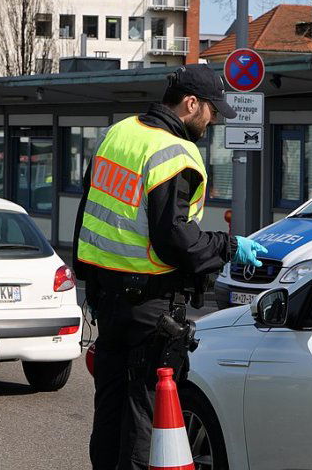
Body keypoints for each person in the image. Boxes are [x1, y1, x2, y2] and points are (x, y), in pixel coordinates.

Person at [74, 64, 267, 470]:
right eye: (211, 110)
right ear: (190, 104)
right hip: (150, 304)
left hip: (107, 298)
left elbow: (88, 212)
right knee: (145, 411)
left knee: (109, 407)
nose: (212, 121)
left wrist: (88, 276)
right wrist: (227, 245)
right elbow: (174, 239)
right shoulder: (175, 153)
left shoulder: (120, 132)